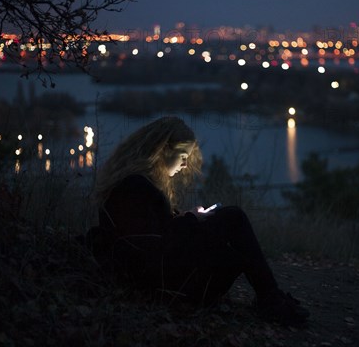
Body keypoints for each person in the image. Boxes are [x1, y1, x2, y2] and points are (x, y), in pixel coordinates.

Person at [85, 116, 309, 326]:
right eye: (183, 156)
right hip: (158, 286)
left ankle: (270, 298)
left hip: (158, 280)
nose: (184, 165)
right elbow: (151, 250)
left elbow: (153, 234)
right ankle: (270, 300)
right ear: (161, 150)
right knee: (234, 218)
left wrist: (183, 218)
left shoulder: (136, 184)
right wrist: (191, 220)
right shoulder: (135, 186)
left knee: (232, 250)